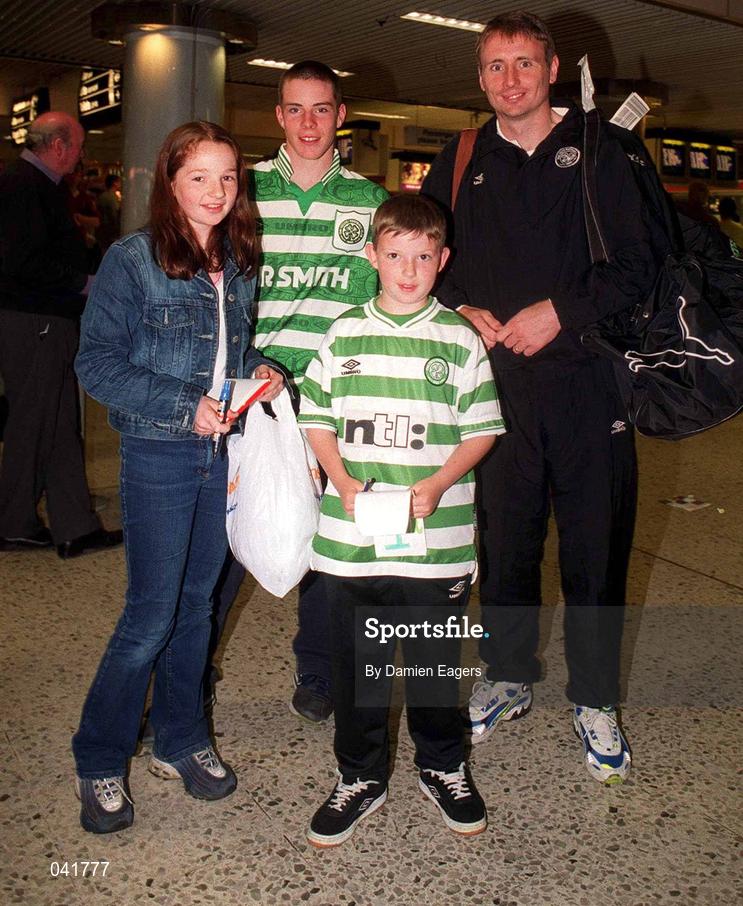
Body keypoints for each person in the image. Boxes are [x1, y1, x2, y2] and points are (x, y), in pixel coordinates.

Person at [421, 11, 664, 784]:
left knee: (594, 550)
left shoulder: (603, 149)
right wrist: (460, 307)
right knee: (506, 543)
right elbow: (429, 257)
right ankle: (507, 674)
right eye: (494, 66)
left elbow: (643, 262)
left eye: (522, 63)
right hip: (497, 394)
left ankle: (594, 699)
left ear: (552, 68)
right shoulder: (463, 157)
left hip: (590, 385)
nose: (508, 80)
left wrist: (557, 311)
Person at [71, 121, 285, 834]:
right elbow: (96, 363)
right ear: (170, 182)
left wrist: (255, 369)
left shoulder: (240, 259)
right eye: (199, 177)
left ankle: (180, 739)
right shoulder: (134, 260)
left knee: (199, 609)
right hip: (160, 453)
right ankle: (100, 758)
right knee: (149, 617)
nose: (216, 192)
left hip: (223, 453)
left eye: (228, 178)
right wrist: (179, 404)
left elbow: (230, 346)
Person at [298, 194, 505, 846]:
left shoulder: (457, 338)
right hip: (351, 540)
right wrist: (339, 479)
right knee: (357, 667)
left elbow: (480, 431)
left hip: (434, 546)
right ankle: (359, 777)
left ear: (442, 260)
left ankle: (442, 766)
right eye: (395, 256)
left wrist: (439, 482)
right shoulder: (343, 333)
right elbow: (317, 418)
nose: (408, 270)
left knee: (434, 664)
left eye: (422, 257)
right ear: (372, 256)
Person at [247, 61, 389, 723]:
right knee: (229, 536)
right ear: (278, 114)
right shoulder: (242, 191)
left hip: (335, 399)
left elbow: (387, 294)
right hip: (256, 396)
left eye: (321, 109)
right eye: (295, 109)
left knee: (329, 544)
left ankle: (319, 670)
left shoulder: (367, 201)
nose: (308, 123)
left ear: (340, 114)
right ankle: (184, 674)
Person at [0, 111, 122, 558]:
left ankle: (74, 526)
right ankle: (14, 522)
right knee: (34, 422)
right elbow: (23, 262)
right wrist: (84, 282)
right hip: (36, 320)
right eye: (78, 146)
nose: (82, 155)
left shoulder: (32, 184)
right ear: (58, 146)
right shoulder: (23, 186)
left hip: (40, 319)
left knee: (57, 422)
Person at [96, 172, 122, 252]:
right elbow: (114, 214)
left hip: (103, 229)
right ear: (114, 183)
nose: (120, 184)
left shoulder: (104, 195)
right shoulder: (111, 197)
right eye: (119, 182)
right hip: (109, 230)